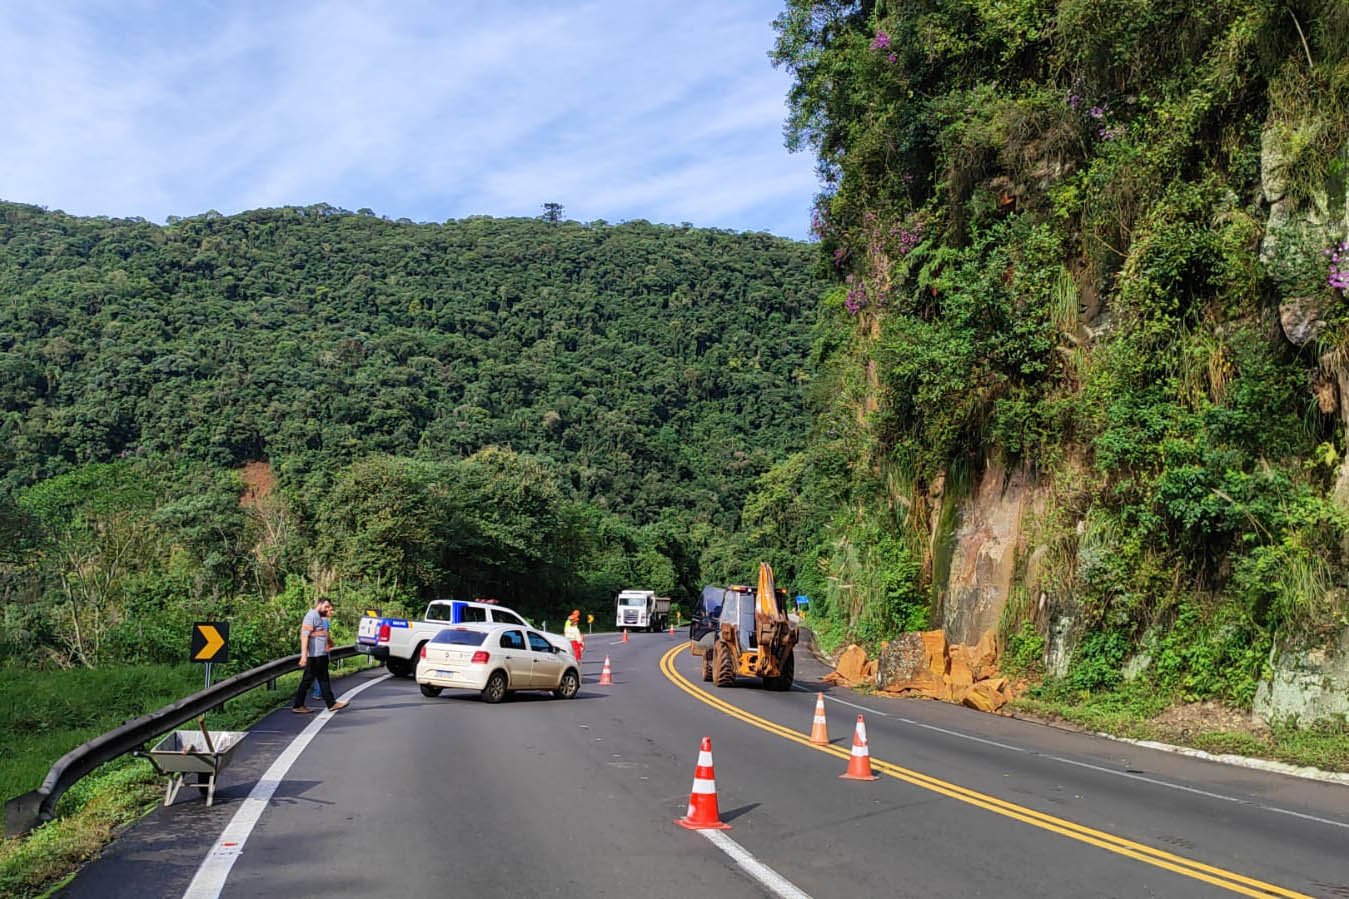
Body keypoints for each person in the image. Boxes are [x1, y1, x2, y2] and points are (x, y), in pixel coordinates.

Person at [292, 597, 348, 714]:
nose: (328, 610)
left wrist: (329, 642)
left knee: (323, 679)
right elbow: (304, 636)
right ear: (319, 604)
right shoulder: (311, 616)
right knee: (308, 680)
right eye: (326, 607)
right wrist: (303, 656)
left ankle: (331, 703)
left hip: (320, 654)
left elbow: (320, 634)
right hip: (314, 655)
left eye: (329, 608)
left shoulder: (319, 617)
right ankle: (298, 705)